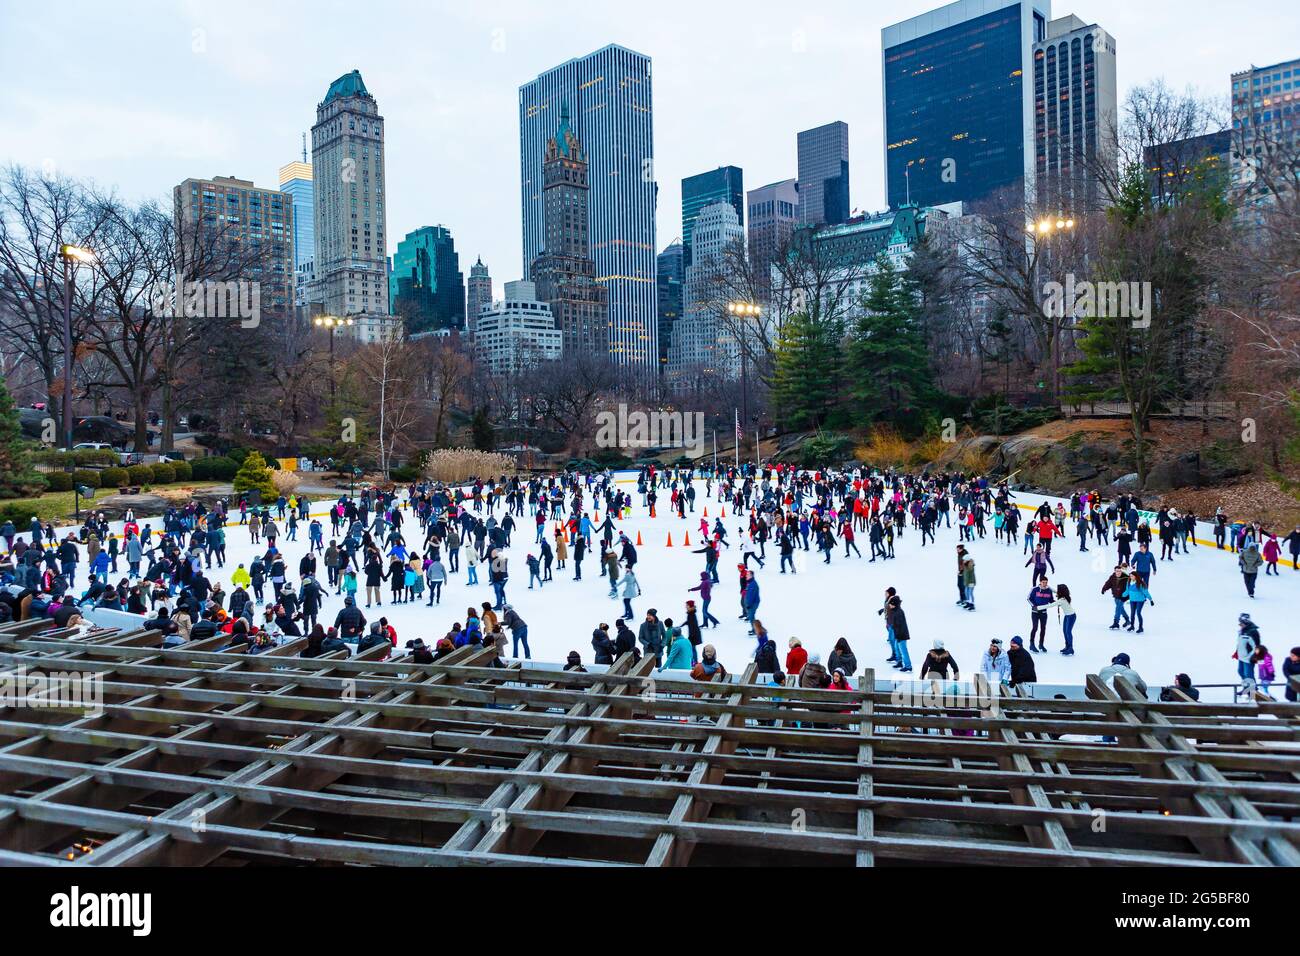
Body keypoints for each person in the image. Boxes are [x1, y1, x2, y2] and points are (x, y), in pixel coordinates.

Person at [1235, 613, 1261, 690]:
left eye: (1241, 623)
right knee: (1241, 672)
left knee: (1248, 674)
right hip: (1242, 656)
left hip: (1249, 657)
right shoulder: (1242, 631)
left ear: (1246, 622)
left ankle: (1253, 690)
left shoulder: (1253, 631)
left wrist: (1251, 656)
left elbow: (1256, 646)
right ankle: (1246, 688)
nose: (1239, 625)